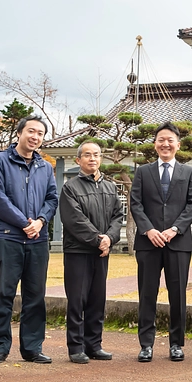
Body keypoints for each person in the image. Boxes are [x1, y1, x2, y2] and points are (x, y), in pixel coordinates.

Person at [0, 114, 59, 364]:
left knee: (35, 295)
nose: (35, 137)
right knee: (4, 293)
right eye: (31, 131)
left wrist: (40, 221)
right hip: (6, 237)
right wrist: (24, 223)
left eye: (40, 133)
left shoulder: (45, 167)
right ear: (19, 133)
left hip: (37, 238)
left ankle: (32, 348)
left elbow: (52, 199)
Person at [129, 122, 192, 362]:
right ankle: (146, 344)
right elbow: (136, 204)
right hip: (148, 244)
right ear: (155, 144)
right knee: (146, 293)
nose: (165, 144)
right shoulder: (143, 172)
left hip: (178, 243)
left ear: (178, 145)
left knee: (178, 294)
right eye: (161, 139)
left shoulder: (189, 172)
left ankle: (176, 344)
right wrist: (148, 230)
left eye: (170, 140)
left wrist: (174, 229)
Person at [59, 141, 125, 364]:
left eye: (96, 155)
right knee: (77, 300)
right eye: (87, 155)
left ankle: (94, 345)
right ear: (78, 160)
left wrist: (110, 238)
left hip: (101, 252)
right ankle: (76, 347)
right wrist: (98, 240)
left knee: (98, 299)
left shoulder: (110, 187)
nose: (92, 159)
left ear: (101, 159)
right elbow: (74, 220)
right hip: (78, 251)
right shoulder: (71, 188)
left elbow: (118, 216)